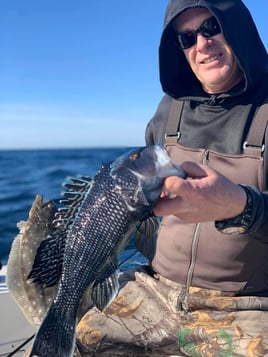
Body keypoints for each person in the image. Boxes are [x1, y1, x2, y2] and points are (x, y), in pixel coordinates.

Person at [7, 0, 268, 356]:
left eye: (211, 27)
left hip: (246, 304)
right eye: (187, 38)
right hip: (155, 289)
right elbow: (138, 214)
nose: (201, 44)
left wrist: (239, 204)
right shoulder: (168, 111)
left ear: (238, 27)